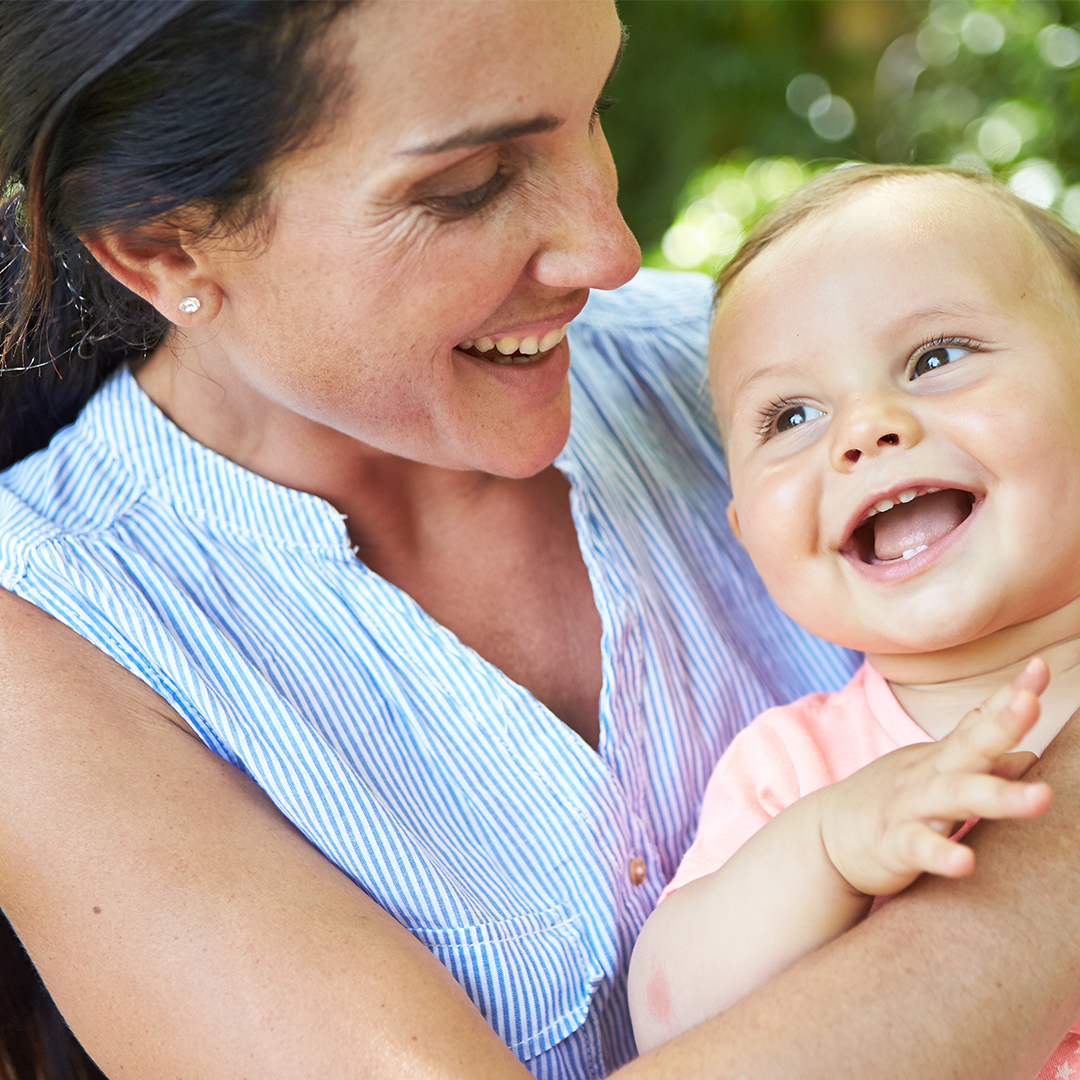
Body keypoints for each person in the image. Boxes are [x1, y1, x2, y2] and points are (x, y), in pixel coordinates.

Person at [1, 3, 1080, 1078]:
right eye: (469, 184)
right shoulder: (51, 632)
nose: (609, 249)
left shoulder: (757, 370)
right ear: (160, 246)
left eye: (593, 107)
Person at [628, 164, 1080, 1080]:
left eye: (936, 356)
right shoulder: (798, 773)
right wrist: (830, 850)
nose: (865, 429)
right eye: (791, 414)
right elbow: (669, 1019)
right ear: (749, 537)